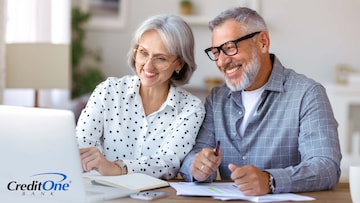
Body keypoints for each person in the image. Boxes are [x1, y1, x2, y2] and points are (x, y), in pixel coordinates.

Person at [179, 7, 342, 195]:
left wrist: (270, 180)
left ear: (263, 42)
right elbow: (194, 155)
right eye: (216, 52)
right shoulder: (217, 98)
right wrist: (198, 167)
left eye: (230, 48)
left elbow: (326, 167)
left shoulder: (307, 94)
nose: (222, 62)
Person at [76, 14, 205, 180]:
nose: (148, 66)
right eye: (143, 53)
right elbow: (81, 142)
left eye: (161, 58)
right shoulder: (109, 91)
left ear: (179, 63)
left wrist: (117, 168)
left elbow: (168, 163)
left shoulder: (191, 108)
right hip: (102, 190)